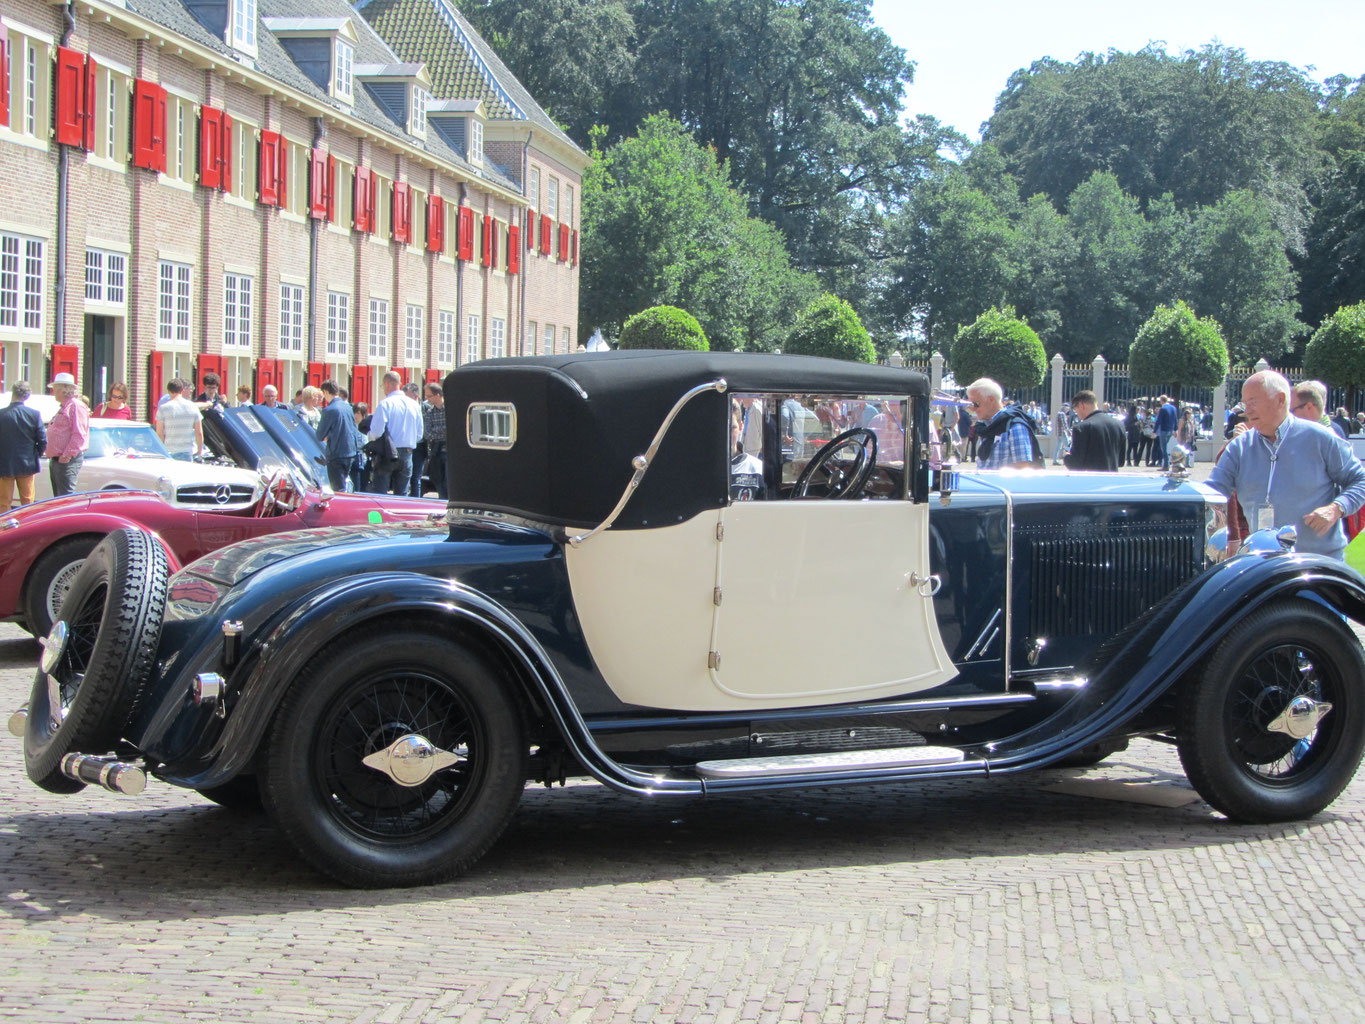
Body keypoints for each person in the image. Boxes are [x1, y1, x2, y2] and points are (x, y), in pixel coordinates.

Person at [1206, 370, 1365, 561]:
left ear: (1281, 400)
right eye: (1245, 403)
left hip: (1318, 564)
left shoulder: (1321, 438)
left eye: (1253, 401)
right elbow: (1212, 493)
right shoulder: (1238, 448)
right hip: (1263, 564)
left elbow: (1360, 480)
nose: (1246, 410)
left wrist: (1336, 508)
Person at [966, 378, 1043, 470]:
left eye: (976, 404)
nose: (972, 409)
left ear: (991, 400)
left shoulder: (1014, 427)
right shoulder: (986, 426)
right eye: (971, 405)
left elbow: (1022, 470)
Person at [366, 371, 423, 495]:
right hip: (407, 453)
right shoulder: (414, 405)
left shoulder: (385, 404)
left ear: (387, 384)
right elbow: (419, 435)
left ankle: (380, 515)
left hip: (387, 452)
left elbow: (376, 432)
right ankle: (400, 515)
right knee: (402, 495)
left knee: (380, 493)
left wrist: (368, 437)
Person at [0, 382, 47, 510]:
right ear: (26, 397)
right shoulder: (34, 414)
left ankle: (4, 526)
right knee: (27, 500)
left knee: (4, 501)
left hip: (4, 463)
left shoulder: (1, 414)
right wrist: (36, 454)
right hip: (27, 462)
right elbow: (42, 440)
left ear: (13, 393)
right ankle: (28, 526)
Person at [45, 372, 90, 496]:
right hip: (57, 459)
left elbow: (79, 434)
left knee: (65, 499)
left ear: (62, 390)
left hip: (67, 460)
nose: (53, 392)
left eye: (55, 389)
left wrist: (66, 456)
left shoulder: (76, 406)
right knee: (58, 499)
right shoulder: (65, 406)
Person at [1064, 390, 1125, 471]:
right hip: (1111, 480)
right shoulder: (1119, 425)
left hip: (1090, 480)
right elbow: (1120, 462)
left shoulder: (1081, 428)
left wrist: (1066, 456)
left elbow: (1075, 465)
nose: (1076, 413)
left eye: (1075, 409)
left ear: (1081, 405)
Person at [315, 380, 357, 492]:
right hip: (350, 452)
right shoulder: (348, 407)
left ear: (325, 391)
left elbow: (319, 435)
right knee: (345, 485)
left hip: (336, 454)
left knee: (338, 490)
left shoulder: (329, 410)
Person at [156, 377, 203, 460]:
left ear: (168, 391)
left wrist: (162, 450)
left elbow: (160, 433)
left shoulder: (163, 408)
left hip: (169, 451)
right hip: (187, 451)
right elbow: (199, 432)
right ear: (182, 390)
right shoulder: (193, 407)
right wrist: (199, 451)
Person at [421, 382, 448, 499]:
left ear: (438, 395)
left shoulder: (450, 409)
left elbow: (453, 429)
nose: (426, 399)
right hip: (436, 453)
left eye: (429, 396)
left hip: (449, 452)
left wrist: (436, 430)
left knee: (449, 482)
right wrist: (444, 431)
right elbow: (427, 434)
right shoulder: (429, 412)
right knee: (438, 481)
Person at [405, 382, 428, 496]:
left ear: (416, 396)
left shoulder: (426, 408)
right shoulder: (403, 408)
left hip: (419, 446)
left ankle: (416, 498)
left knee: (416, 477)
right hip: (406, 446)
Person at [1153, 394, 1178, 469]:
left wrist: (1154, 431)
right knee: (1165, 447)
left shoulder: (1163, 409)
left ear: (1161, 401)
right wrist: (1175, 429)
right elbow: (1175, 419)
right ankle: (1166, 464)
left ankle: (1166, 465)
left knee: (1163, 448)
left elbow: (1158, 421)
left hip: (1164, 430)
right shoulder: (1173, 408)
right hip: (1170, 430)